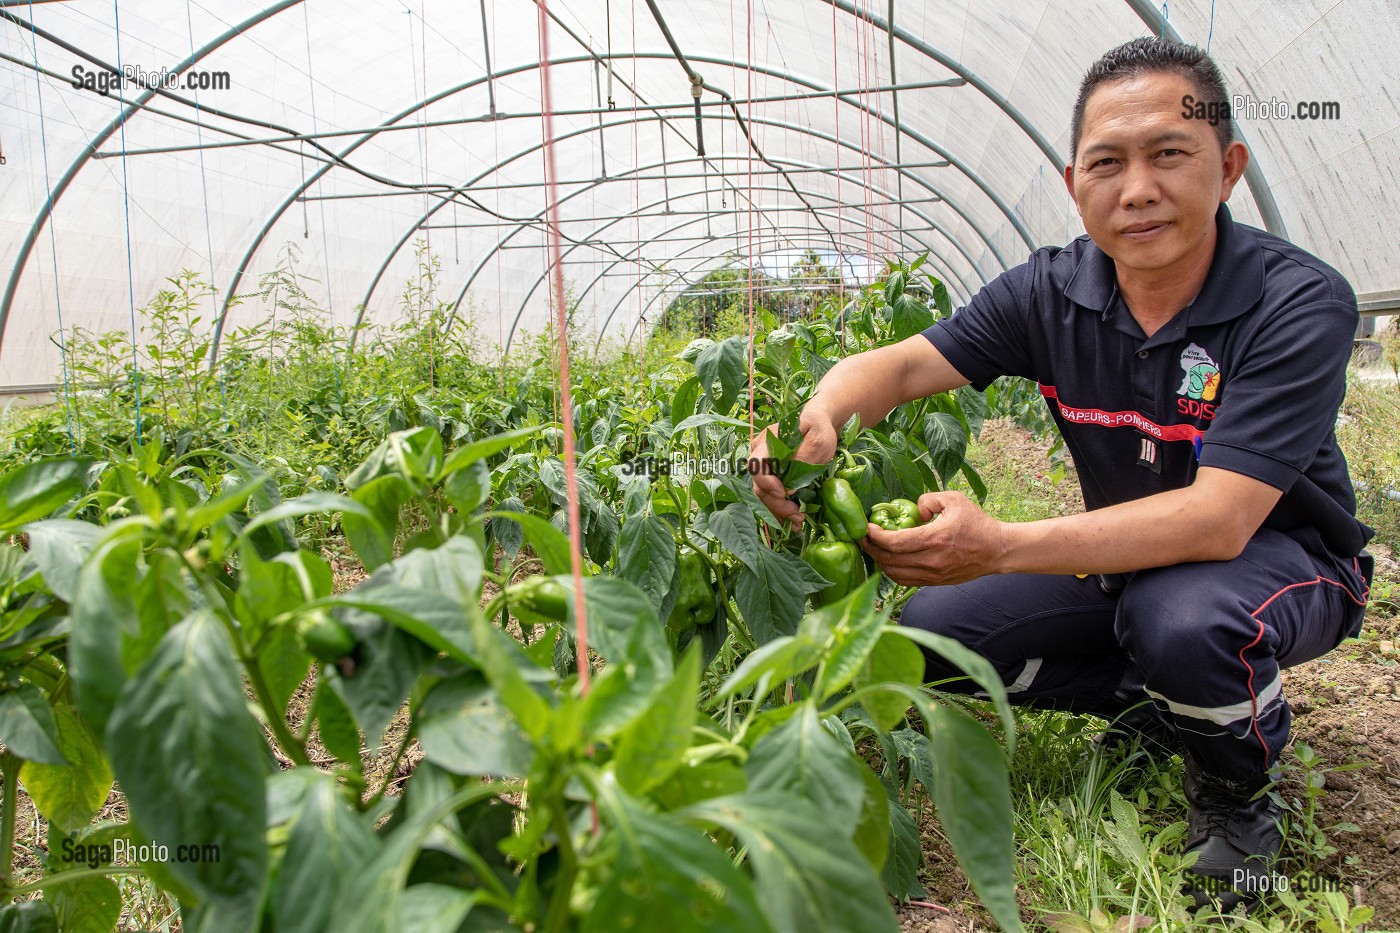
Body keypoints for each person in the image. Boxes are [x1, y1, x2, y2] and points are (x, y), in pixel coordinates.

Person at [751, 37, 1373, 913]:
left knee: (1184, 617)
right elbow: (893, 371)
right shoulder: (1050, 291)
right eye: (1107, 163)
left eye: (1170, 155)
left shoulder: (1295, 300)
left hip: (1287, 561)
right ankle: (1166, 703)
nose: (1138, 189)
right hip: (1130, 565)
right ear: (1074, 179)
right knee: (929, 635)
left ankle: (1237, 795)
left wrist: (1001, 546)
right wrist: (815, 420)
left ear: (1228, 168)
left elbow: (1220, 522)